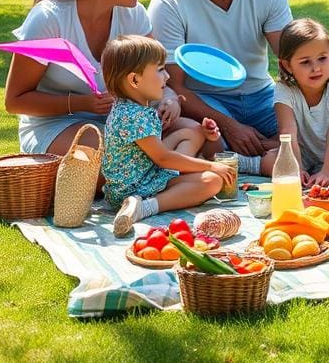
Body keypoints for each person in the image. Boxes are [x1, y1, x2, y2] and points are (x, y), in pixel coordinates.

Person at [4, 0, 185, 156]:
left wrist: (168, 99)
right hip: (56, 126)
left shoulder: (134, 14)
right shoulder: (49, 19)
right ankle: (168, 172)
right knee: (112, 159)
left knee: (202, 135)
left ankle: (164, 171)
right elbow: (15, 101)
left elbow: (155, 74)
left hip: (122, 123)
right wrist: (82, 103)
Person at [149, 0, 293, 174]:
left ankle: (249, 158)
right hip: (204, 99)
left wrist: (295, 122)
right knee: (201, 135)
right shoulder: (170, 2)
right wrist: (229, 125)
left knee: (312, 126)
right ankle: (261, 159)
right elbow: (173, 87)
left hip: (261, 93)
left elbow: (290, 59)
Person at [99, 36, 236, 237]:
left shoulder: (131, 107)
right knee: (212, 181)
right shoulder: (133, 116)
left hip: (143, 172)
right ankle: (145, 207)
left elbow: (154, 151)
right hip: (134, 188)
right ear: (135, 79)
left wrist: (204, 134)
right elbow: (164, 158)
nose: (167, 77)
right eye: (160, 69)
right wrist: (210, 165)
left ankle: (181, 175)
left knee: (192, 132)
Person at [259, 18, 329, 186]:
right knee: (268, 162)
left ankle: (317, 182)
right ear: (287, 66)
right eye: (305, 62)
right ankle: (309, 177)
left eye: (322, 58)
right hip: (302, 154)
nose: (316, 68)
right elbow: (287, 132)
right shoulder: (284, 90)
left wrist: (326, 172)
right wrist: (297, 168)